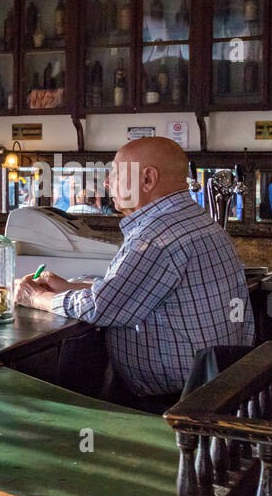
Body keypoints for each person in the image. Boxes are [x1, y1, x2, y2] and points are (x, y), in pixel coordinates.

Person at [16, 137, 253, 411]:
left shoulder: (158, 235)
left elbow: (103, 308)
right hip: (215, 386)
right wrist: (69, 286)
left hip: (177, 404)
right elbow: (142, 291)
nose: (107, 183)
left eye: (115, 173)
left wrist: (36, 297)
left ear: (148, 179)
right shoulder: (193, 220)